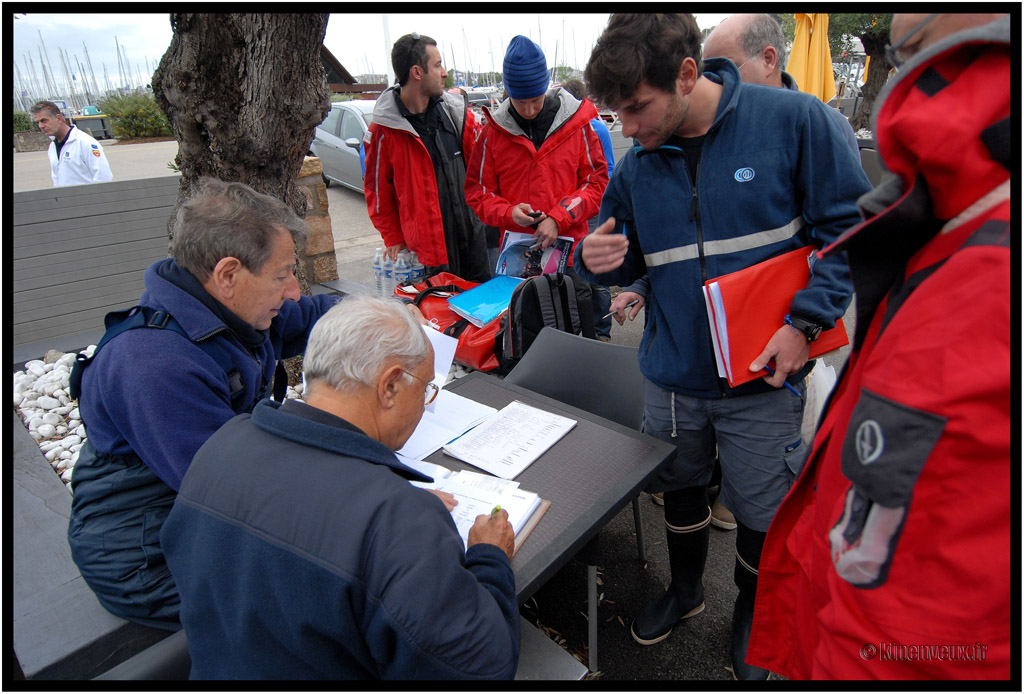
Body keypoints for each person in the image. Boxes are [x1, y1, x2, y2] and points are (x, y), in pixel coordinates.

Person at [578, 13, 871, 679]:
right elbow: (617, 256)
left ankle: (751, 608)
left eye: (637, 108)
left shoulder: (797, 123)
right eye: (616, 113)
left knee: (763, 505)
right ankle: (685, 592)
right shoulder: (639, 158)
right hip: (672, 376)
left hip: (764, 376)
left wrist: (803, 326)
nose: (626, 128)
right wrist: (594, 258)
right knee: (679, 486)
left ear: (688, 74)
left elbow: (849, 233)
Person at [748, 13, 1011, 679]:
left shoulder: (981, 275)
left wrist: (805, 321)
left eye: (903, 47)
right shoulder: (952, 220)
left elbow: (905, 637)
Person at [161, 296, 520, 679]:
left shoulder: (220, 446)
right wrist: (488, 557)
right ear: (391, 386)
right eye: (427, 388)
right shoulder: (396, 521)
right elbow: (484, 669)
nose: (425, 403)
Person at [66, 178, 344, 630]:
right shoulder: (155, 367)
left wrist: (382, 314)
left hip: (201, 505)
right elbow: (235, 493)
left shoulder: (228, 309)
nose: (293, 290)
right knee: (332, 598)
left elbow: (312, 318)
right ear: (228, 275)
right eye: (283, 275)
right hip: (147, 559)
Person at [465, 36, 608, 325]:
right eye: (521, 102)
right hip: (517, 261)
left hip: (570, 257)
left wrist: (559, 217)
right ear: (508, 93)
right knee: (522, 333)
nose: (529, 110)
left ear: (546, 88)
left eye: (535, 100)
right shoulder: (490, 134)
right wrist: (509, 212)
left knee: (575, 332)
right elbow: (478, 193)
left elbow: (597, 183)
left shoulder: (578, 126)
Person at [365, 33, 491, 283]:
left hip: (472, 243)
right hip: (428, 254)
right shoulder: (383, 130)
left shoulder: (456, 114)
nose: (444, 73)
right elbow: (377, 194)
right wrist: (394, 239)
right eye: (437, 65)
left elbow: (480, 171)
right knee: (438, 318)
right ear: (416, 72)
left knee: (482, 315)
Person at [702, 13, 860, 155]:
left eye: (725, 69)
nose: (714, 82)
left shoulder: (825, 125)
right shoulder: (711, 124)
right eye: (707, 74)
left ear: (768, 60)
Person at [558, 78, 615, 341]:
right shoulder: (561, 132)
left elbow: (608, 169)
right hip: (572, 215)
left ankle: (601, 331)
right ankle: (580, 331)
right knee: (575, 277)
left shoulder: (596, 128)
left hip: (593, 214)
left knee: (597, 277)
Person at [30, 100, 113, 186]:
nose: (41, 126)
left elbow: (104, 178)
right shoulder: (52, 147)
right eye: (38, 122)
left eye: (44, 120)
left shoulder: (84, 142)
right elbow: (56, 179)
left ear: (58, 118)